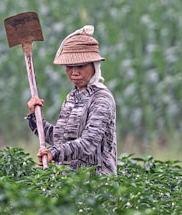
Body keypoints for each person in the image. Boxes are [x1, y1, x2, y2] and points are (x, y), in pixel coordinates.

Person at [26, 25, 117, 175]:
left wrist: (53, 153)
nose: (74, 72)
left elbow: (88, 144)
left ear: (94, 66)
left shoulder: (101, 99)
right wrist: (35, 118)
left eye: (80, 66)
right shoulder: (72, 97)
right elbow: (61, 139)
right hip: (69, 182)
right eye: (69, 66)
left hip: (96, 185)